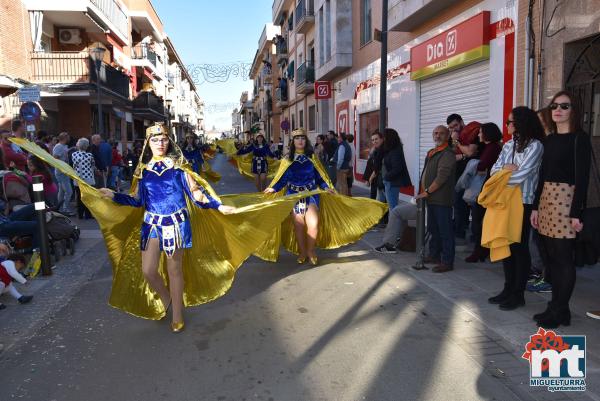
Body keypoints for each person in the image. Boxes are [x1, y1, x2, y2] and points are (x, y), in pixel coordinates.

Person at [98, 124, 236, 332]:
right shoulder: (143, 171)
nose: (160, 143)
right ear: (148, 143)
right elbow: (138, 200)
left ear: (169, 141)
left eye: (163, 139)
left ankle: (177, 315)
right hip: (152, 225)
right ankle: (167, 298)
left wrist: (217, 205)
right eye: (155, 140)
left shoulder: (180, 168)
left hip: (176, 224)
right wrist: (115, 195)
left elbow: (196, 194)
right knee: (148, 270)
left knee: (174, 270)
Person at [263, 128, 387, 264]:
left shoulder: (312, 157)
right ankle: (303, 252)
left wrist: (326, 187)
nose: (300, 140)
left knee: (313, 224)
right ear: (293, 142)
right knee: (299, 225)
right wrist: (273, 188)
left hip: (311, 195)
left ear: (306, 141)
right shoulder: (287, 159)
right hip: (293, 196)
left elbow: (319, 177)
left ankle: (311, 251)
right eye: (297, 138)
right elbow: (282, 179)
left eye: (303, 138)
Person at [531, 91, 592, 328]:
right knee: (551, 258)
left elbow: (582, 178)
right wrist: (536, 207)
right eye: (555, 106)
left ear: (573, 111)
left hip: (567, 200)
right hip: (547, 199)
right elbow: (542, 176)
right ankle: (558, 308)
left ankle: (558, 309)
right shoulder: (550, 139)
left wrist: (576, 212)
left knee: (563, 258)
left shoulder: (580, 139)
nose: (558, 110)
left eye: (564, 106)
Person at [487, 106, 544, 311]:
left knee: (519, 248)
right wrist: (505, 169)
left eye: (510, 122)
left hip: (523, 201)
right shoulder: (508, 145)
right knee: (506, 245)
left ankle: (518, 294)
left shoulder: (535, 146)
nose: (507, 125)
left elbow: (523, 175)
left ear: (520, 123)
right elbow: (493, 170)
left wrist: (504, 174)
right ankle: (508, 288)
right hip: (505, 200)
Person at [415, 126, 456, 273]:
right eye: (435, 133)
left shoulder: (447, 153)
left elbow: (442, 177)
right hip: (431, 198)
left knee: (445, 231)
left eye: (441, 133)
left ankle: (447, 261)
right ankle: (434, 255)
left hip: (441, 199)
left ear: (448, 136)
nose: (437, 136)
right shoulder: (432, 152)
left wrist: (426, 191)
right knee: (433, 229)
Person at [465, 123, 503, 263]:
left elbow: (482, 166)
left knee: (478, 222)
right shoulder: (494, 146)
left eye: (481, 132)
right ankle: (483, 250)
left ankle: (479, 251)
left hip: (488, 190)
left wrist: (479, 166)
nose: (479, 135)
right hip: (491, 189)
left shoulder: (492, 148)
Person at [447, 114, 481, 240]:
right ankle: (460, 230)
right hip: (458, 174)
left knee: (473, 204)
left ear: (461, 122)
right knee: (458, 203)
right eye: (450, 127)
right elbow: (450, 154)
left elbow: (471, 152)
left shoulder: (473, 133)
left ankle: (473, 235)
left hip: (473, 175)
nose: (453, 129)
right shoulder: (454, 137)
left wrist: (457, 143)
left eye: (455, 125)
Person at [381, 128, 412, 210]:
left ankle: (393, 223)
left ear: (389, 138)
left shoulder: (395, 151)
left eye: (384, 137)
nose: (383, 139)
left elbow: (397, 168)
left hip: (391, 182)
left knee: (393, 207)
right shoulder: (391, 149)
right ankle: (395, 222)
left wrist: (386, 177)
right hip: (390, 181)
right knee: (392, 206)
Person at [71, 138, 96, 219]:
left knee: (79, 196)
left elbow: (73, 165)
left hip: (78, 178)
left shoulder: (74, 154)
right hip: (88, 178)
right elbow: (93, 166)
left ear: (78, 145)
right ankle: (88, 214)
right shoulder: (90, 155)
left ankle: (80, 214)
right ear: (87, 146)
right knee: (88, 196)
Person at [52, 132, 74, 216]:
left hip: (63, 171)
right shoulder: (58, 146)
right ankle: (65, 209)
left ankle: (59, 208)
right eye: (68, 137)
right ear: (65, 138)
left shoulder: (62, 146)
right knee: (69, 191)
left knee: (61, 191)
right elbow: (55, 158)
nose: (69, 138)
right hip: (61, 172)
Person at [362, 130, 384, 200]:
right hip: (375, 180)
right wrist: (367, 179)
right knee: (373, 198)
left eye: (376, 139)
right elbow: (370, 165)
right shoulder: (374, 150)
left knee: (382, 201)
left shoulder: (383, 150)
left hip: (382, 180)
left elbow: (378, 166)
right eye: (373, 140)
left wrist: (370, 177)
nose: (374, 141)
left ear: (381, 139)